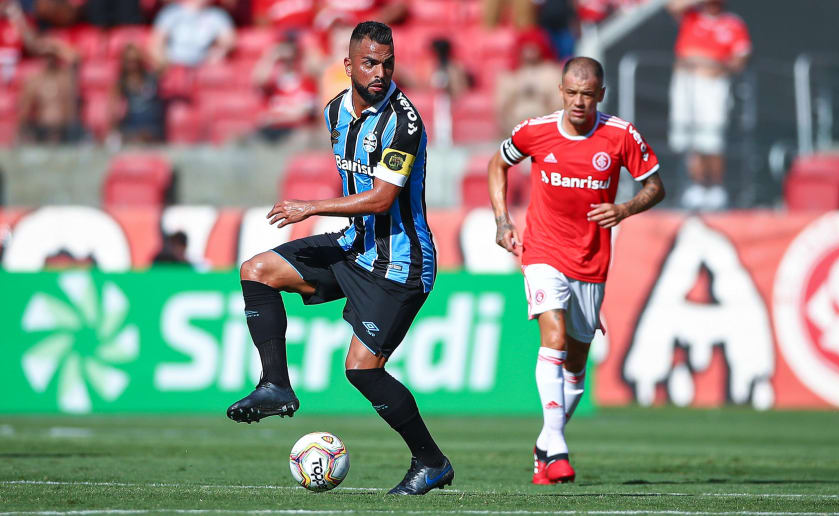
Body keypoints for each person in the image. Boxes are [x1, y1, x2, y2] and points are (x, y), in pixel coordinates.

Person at [226, 21, 453, 496]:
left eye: (388, 62)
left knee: (361, 370)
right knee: (257, 271)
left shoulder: (403, 122)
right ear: (347, 65)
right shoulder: (334, 112)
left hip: (400, 263)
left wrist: (309, 207)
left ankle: (431, 463)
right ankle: (275, 385)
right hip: (354, 246)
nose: (380, 71)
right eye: (370, 62)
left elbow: (381, 199)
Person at [487, 57, 664, 484]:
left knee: (577, 362)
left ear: (600, 94)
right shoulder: (536, 130)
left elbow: (656, 186)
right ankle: (558, 446)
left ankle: (545, 444)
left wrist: (624, 208)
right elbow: (499, 164)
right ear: (561, 91)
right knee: (553, 337)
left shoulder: (620, 135)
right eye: (572, 93)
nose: (579, 102)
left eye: (588, 94)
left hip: (591, 261)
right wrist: (502, 221)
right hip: (543, 249)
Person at [667, 0, 751, 211]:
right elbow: (672, 6)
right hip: (685, 82)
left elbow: (741, 58)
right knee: (688, 136)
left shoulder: (733, 23)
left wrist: (715, 67)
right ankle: (696, 185)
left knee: (711, 136)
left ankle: (715, 186)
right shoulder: (691, 15)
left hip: (713, 85)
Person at [252, 33, 318, 143]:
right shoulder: (272, 84)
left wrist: (275, 118)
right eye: (282, 59)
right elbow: (258, 80)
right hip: (270, 134)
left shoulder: (307, 82)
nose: (287, 63)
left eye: (292, 58)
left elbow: (303, 114)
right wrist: (271, 56)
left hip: (294, 134)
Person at [494, 28, 562, 136]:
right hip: (514, 127)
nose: (530, 51)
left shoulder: (552, 72)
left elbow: (559, 103)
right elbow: (501, 106)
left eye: (533, 47)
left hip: (545, 127)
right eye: (527, 47)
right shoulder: (510, 75)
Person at [148, 0, 236, 68]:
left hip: (201, 66)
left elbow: (229, 41)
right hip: (173, 64)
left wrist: (217, 54)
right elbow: (157, 41)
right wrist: (163, 64)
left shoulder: (218, 15)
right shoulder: (171, 12)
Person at [110, 42, 165, 144]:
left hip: (153, 127)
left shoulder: (151, 77)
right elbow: (112, 110)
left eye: (135, 60)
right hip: (132, 127)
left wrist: (146, 57)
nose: (132, 64)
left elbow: (165, 68)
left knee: (145, 136)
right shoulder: (121, 82)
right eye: (129, 61)